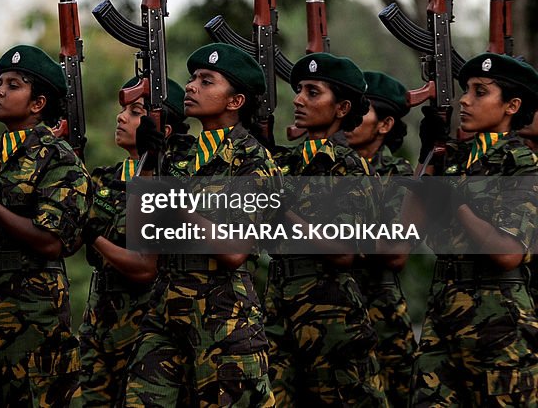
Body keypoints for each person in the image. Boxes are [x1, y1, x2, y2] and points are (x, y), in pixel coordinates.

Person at [123, 43, 278, 406]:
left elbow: (234, 251)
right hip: (165, 311)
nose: (191, 86)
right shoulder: (178, 154)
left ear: (235, 101)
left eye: (206, 81)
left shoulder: (253, 162)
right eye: (193, 78)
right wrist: (146, 165)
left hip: (224, 319)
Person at [409, 53, 538, 406]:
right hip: (443, 316)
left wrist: (456, 202)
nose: (465, 99)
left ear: (512, 105)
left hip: (499, 324)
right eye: (466, 90)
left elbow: (508, 253)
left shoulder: (522, 165)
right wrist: (427, 157)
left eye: (480, 92)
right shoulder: (451, 158)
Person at [264, 52, 387, 405]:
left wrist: (281, 209)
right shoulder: (283, 163)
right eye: (299, 89)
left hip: (331, 317)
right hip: (278, 305)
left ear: (342, 107)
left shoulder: (350, 168)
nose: (298, 99)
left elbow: (342, 250)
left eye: (312, 92)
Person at [0, 44, 91, 405]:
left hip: (33, 306)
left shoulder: (58, 158)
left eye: (13, 85)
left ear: (37, 103)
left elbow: (49, 241)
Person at [76, 77, 186, 406]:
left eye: (135, 111)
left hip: (148, 327)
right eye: (123, 110)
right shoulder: (104, 178)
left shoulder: (176, 180)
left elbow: (144, 267)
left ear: (162, 130)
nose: (121, 117)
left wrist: (92, 234)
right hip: (100, 324)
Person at [344, 70, 417, 406]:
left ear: (385, 125)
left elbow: (395, 252)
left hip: (380, 317)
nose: (349, 118)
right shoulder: (328, 167)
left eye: (362, 111)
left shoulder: (399, 177)